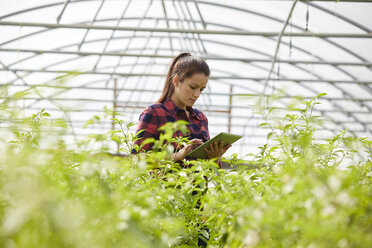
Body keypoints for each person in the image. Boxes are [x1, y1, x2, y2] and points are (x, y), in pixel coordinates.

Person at [133, 52, 231, 163]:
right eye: (193, 87)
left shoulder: (200, 118)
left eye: (201, 89)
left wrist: (214, 158)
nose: (197, 94)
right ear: (176, 81)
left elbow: (208, 170)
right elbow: (136, 159)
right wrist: (178, 155)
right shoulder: (155, 113)